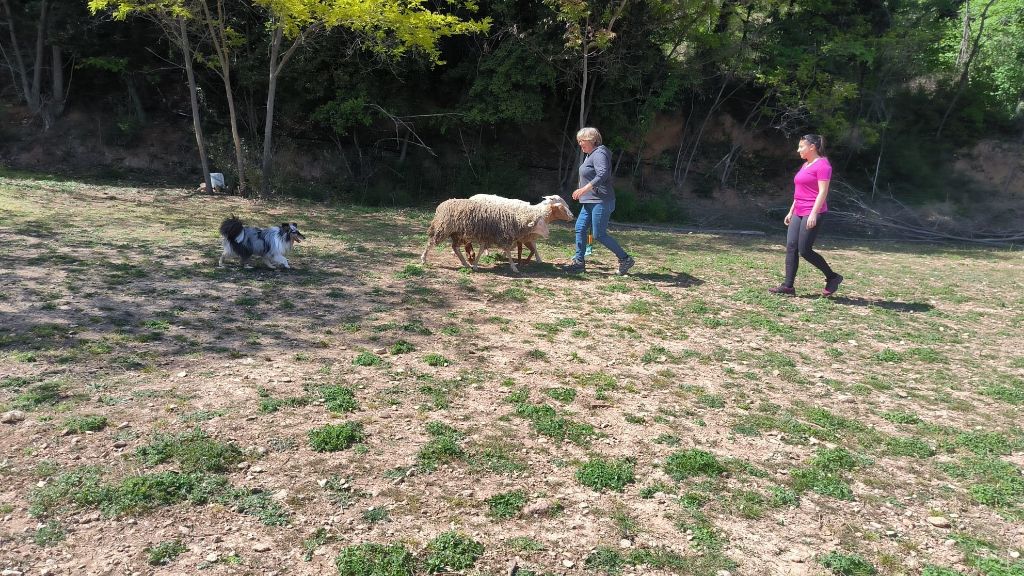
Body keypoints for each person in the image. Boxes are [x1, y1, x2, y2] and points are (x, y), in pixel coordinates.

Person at [769, 133, 843, 296]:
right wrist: (791, 211)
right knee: (791, 247)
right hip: (799, 210)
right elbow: (799, 192)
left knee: (805, 250)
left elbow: (822, 192)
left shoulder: (823, 165)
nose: (798, 150)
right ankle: (788, 286)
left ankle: (832, 277)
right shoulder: (806, 165)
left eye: (801, 146)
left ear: (812, 147)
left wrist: (814, 214)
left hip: (813, 211)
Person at [560, 127, 635, 275]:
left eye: (582, 140)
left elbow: (603, 174)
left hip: (601, 201)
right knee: (580, 228)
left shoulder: (600, 152)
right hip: (589, 201)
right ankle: (578, 263)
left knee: (599, 234)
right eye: (578, 141)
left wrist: (583, 189)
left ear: (592, 140)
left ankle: (625, 259)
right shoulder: (590, 155)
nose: (580, 144)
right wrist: (583, 192)